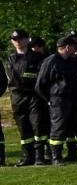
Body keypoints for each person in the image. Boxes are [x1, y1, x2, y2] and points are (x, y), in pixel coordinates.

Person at [36, 34, 77, 163]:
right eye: (74, 46)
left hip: (74, 100)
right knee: (58, 128)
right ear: (67, 47)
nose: (76, 49)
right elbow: (40, 85)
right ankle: (56, 157)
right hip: (58, 100)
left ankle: (75, 154)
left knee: (75, 128)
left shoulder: (73, 62)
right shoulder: (51, 61)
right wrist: (49, 100)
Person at [6, 28, 47, 165]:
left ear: (27, 39)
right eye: (15, 40)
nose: (18, 42)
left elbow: (39, 78)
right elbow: (12, 79)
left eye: (20, 39)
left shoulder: (37, 57)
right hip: (17, 96)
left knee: (37, 125)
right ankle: (28, 156)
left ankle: (40, 157)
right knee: (23, 127)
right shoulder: (11, 58)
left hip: (34, 95)